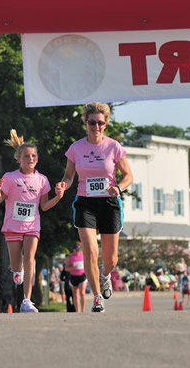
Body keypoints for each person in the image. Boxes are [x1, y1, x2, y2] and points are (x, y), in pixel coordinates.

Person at [56, 102, 133, 313]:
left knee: (111, 259)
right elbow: (69, 176)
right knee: (90, 251)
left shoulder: (113, 146)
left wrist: (119, 187)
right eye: (92, 122)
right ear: (85, 123)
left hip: (109, 202)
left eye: (100, 123)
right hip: (85, 202)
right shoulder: (76, 148)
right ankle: (97, 297)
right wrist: (64, 184)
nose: (96, 126)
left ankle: (105, 275)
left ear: (105, 124)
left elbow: (128, 176)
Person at [0, 130, 65, 313]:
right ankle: (17, 272)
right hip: (12, 226)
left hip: (32, 226)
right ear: (19, 158)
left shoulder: (42, 180)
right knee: (16, 264)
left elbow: (45, 206)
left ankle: (27, 300)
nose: (30, 158)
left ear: (37, 159)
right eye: (26, 156)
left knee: (30, 259)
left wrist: (58, 196)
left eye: (33, 156)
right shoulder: (10, 177)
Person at [65, 242, 87, 312]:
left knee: (82, 293)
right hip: (74, 276)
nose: (78, 251)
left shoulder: (83, 255)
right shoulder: (70, 257)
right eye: (76, 249)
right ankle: (77, 310)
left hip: (82, 275)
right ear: (73, 249)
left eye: (79, 249)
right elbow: (66, 268)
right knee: (75, 294)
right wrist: (73, 268)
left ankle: (83, 310)